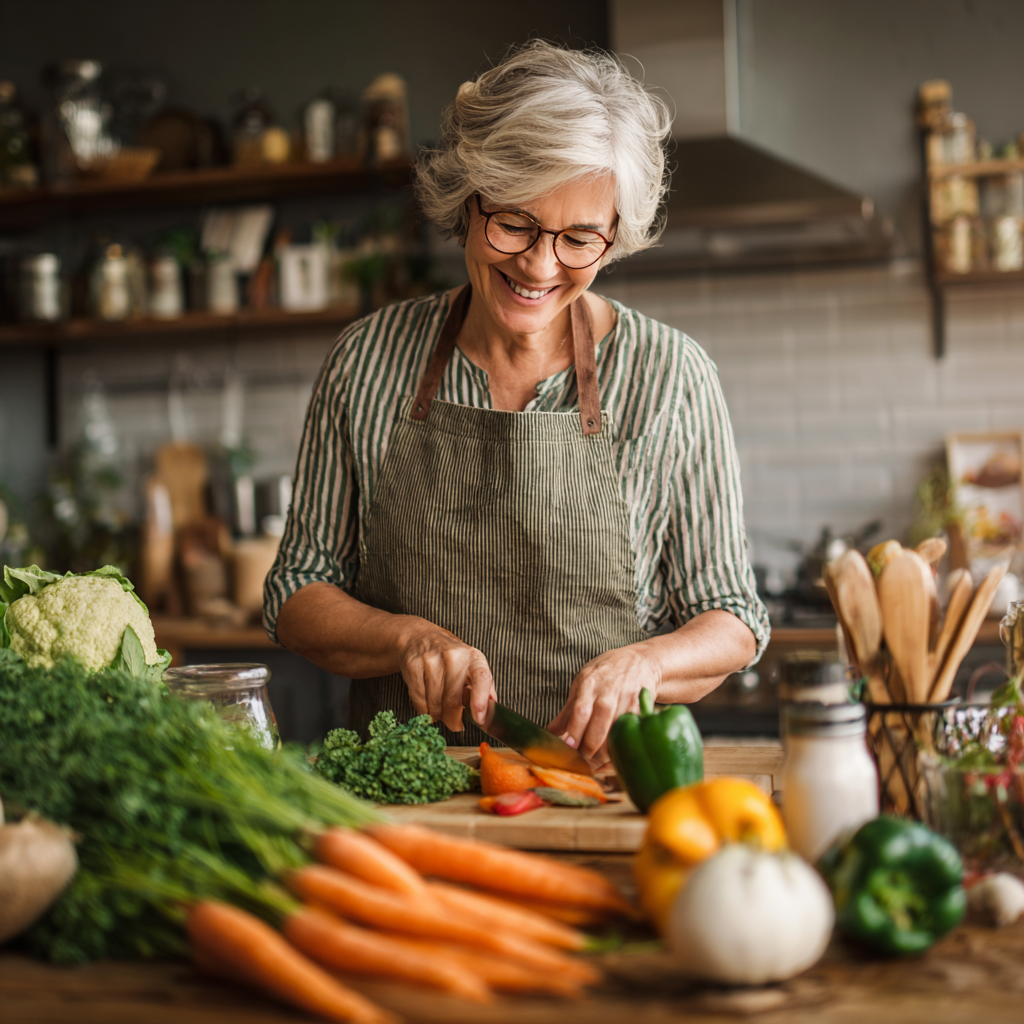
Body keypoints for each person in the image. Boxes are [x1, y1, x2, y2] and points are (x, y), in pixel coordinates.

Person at [264, 40, 769, 768]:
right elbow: (296, 590)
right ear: (467, 204)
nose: (538, 265)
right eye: (514, 223)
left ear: (614, 235)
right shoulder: (366, 362)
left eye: (578, 239)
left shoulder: (673, 378)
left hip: (600, 796)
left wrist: (645, 665)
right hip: (407, 805)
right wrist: (410, 639)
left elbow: (733, 618)